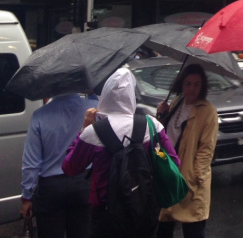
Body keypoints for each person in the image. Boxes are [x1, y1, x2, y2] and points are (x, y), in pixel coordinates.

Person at [63, 68, 179, 238]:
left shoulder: (92, 132)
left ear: (106, 95)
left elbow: (70, 167)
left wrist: (83, 130)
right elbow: (174, 162)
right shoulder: (152, 125)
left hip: (105, 215)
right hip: (144, 208)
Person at [21, 92, 97, 238]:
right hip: (83, 183)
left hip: (50, 189)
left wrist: (27, 197)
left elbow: (31, 163)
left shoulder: (39, 116)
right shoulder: (92, 109)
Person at [156, 64, 218, 238]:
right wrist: (161, 115)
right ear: (181, 84)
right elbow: (164, 134)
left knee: (193, 228)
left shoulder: (208, 111)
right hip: (170, 173)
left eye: (197, 84)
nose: (192, 88)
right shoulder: (177, 103)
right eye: (188, 83)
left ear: (203, 86)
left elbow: (207, 148)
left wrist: (195, 177)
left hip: (190, 179)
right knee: (163, 226)